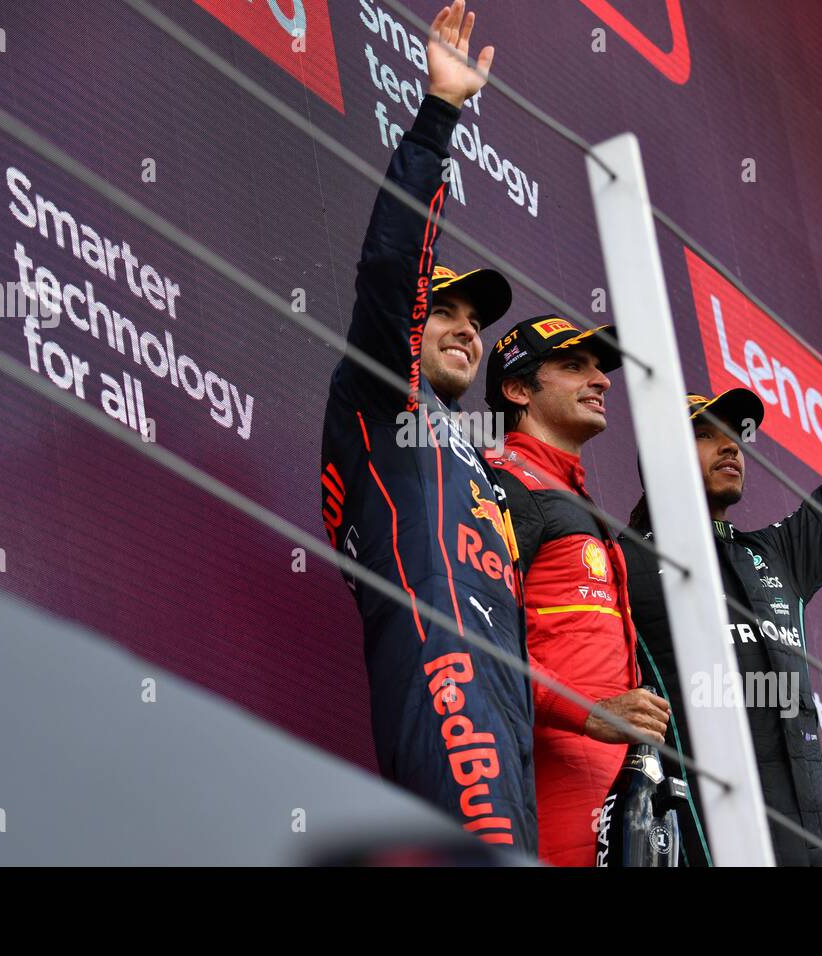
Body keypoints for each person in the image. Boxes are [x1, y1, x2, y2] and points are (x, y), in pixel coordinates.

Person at [620, 257, 822, 865]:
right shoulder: (618, 563)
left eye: (737, 435)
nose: (732, 447)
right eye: (707, 433)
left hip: (820, 831)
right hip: (710, 834)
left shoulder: (774, 554)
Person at [320, 2, 538, 854]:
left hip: (507, 707)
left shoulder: (479, 462)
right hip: (439, 677)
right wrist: (440, 114)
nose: (464, 328)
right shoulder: (383, 393)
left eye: (474, 319)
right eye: (441, 309)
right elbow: (388, 267)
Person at [485, 316, 673, 866]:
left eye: (599, 367)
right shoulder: (506, 481)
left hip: (616, 795)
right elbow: (471, 627)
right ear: (518, 390)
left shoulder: (570, 497)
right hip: (549, 789)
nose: (602, 380)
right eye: (573, 366)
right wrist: (586, 710)